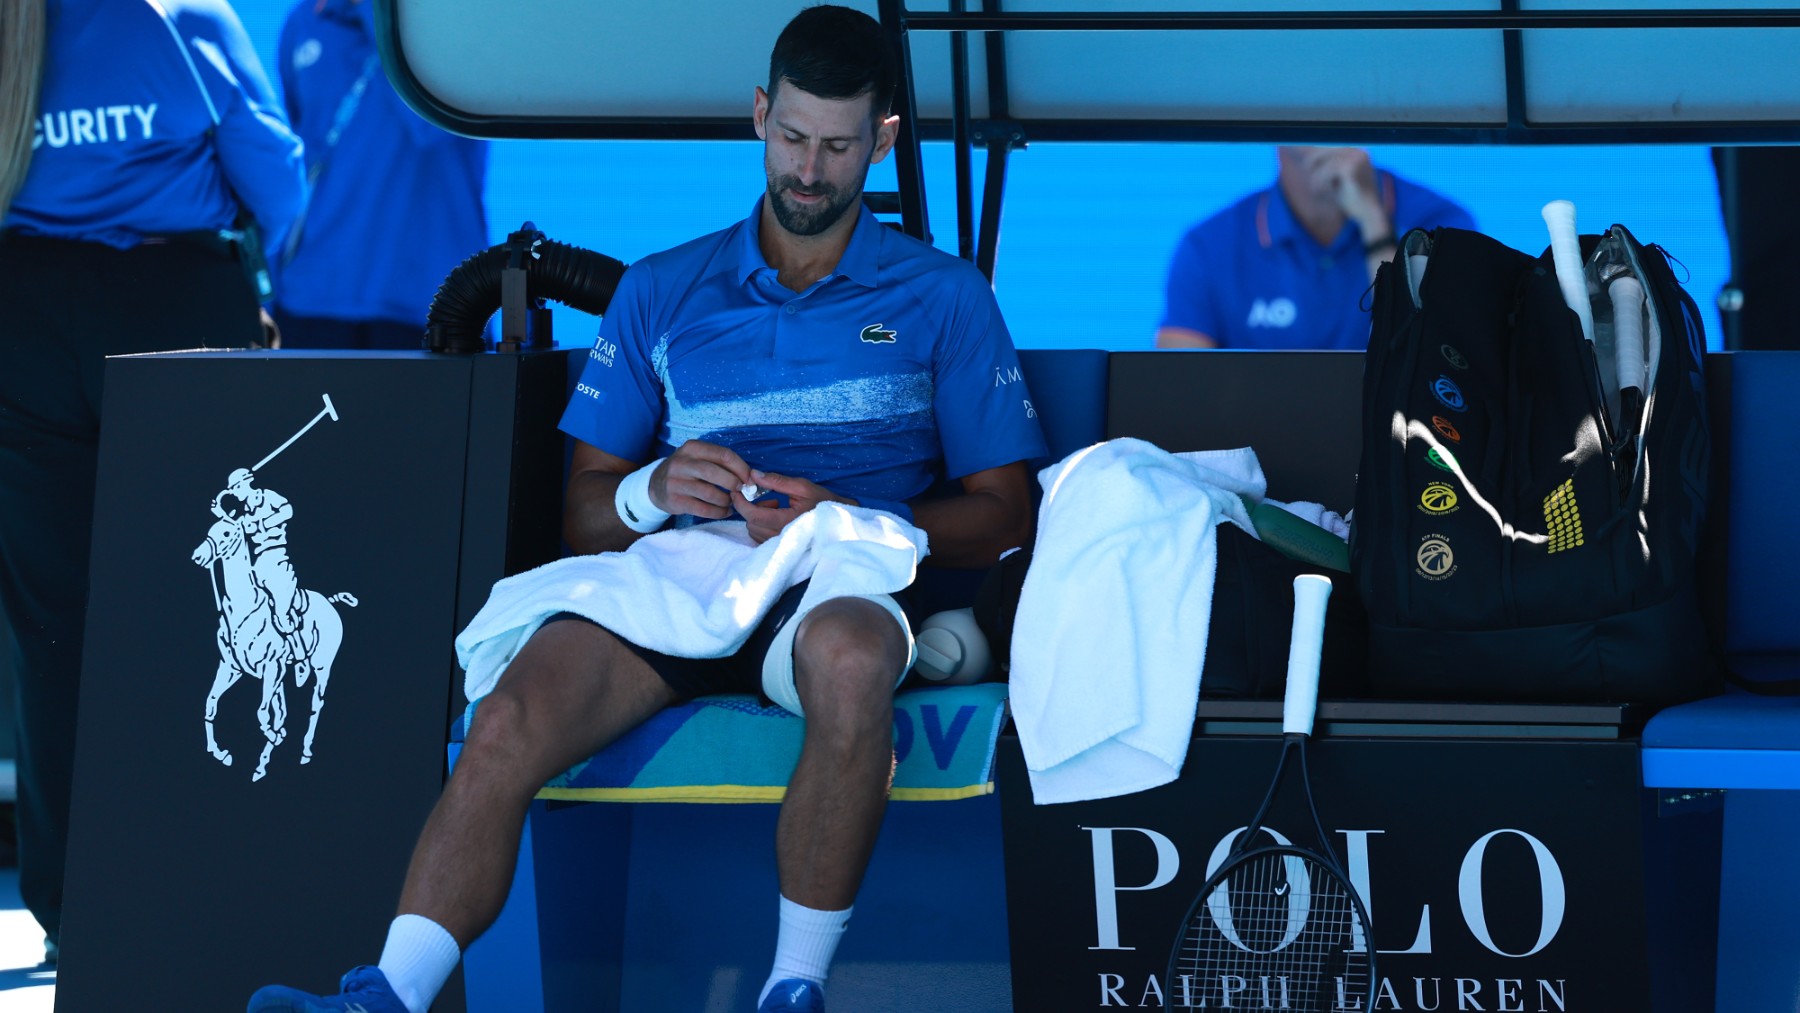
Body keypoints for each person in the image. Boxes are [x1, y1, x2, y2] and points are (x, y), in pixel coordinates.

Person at [247, 6, 1046, 1013]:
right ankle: (385, 997)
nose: (809, 169)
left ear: (882, 139)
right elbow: (587, 512)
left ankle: (790, 989)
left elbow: (1005, 513)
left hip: (839, 567)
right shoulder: (665, 287)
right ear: (760, 114)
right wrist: (654, 488)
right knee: (511, 712)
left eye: (839, 147)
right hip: (679, 573)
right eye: (793, 137)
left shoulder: (946, 295)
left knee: (849, 664)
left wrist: (838, 505)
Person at [0, 0, 304, 965]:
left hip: (22, 316)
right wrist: (261, 276)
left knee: (51, 630)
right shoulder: (176, 12)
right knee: (204, 613)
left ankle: (66, 902)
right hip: (173, 309)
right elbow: (276, 174)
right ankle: (200, 879)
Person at [271, 0, 489, 349]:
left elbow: (430, 127)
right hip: (311, 299)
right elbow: (300, 158)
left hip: (431, 303)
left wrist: (379, 11)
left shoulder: (452, 18)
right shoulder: (306, 20)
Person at [1156, 146, 1475, 350]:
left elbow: (1438, 364)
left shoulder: (1443, 224)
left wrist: (1373, 220)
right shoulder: (1209, 246)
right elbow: (1177, 398)